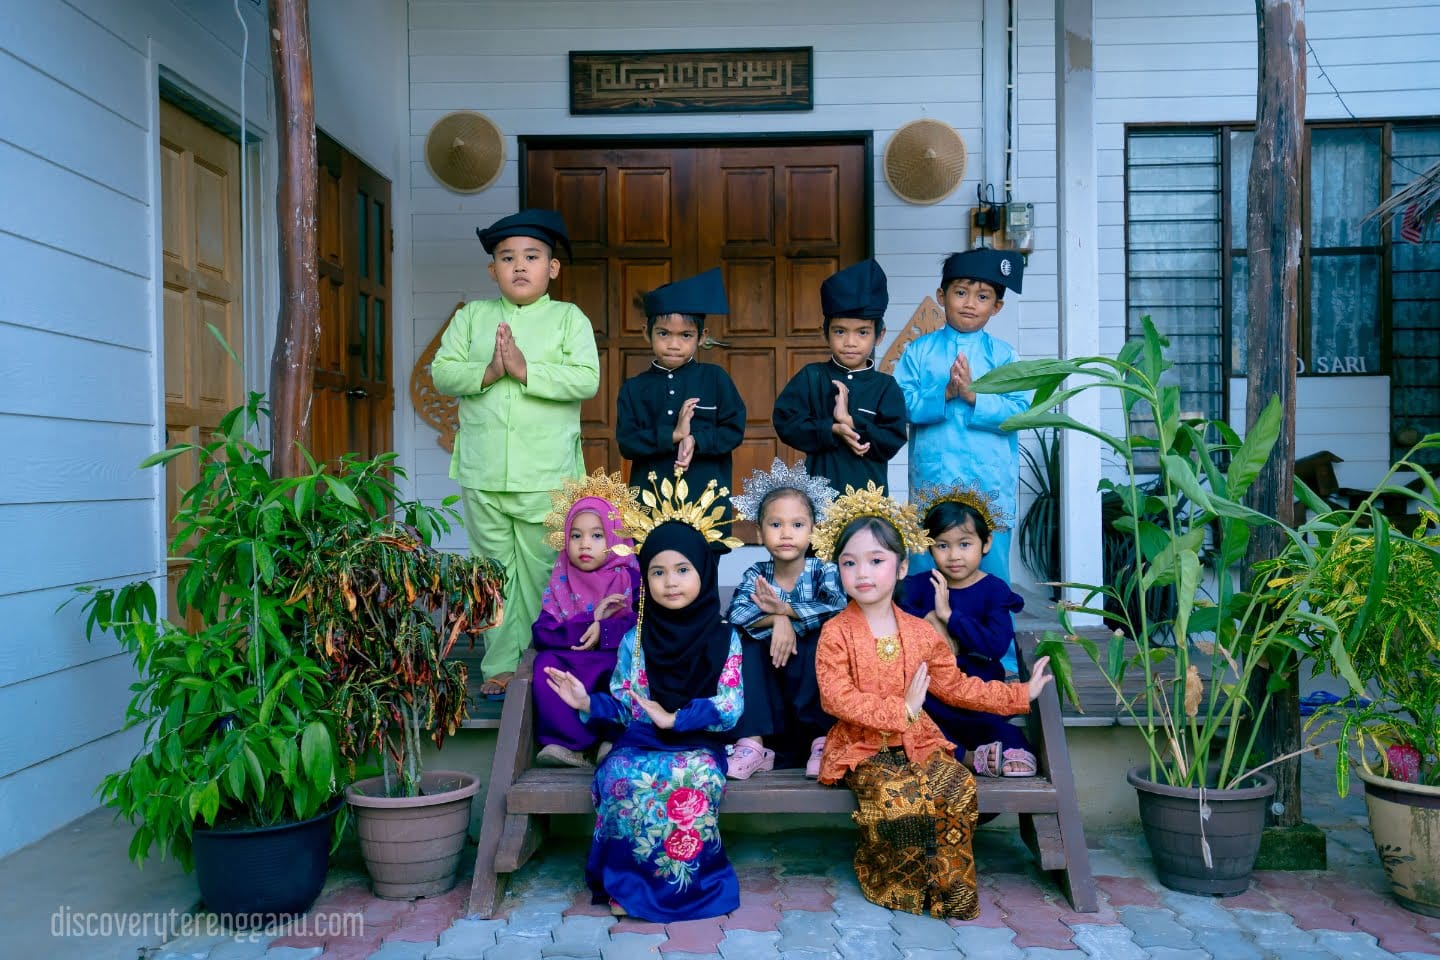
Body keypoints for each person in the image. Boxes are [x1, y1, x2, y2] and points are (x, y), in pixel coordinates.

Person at [809, 483, 1052, 919]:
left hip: (919, 742)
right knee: (899, 796)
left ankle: (952, 893)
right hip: (864, 747)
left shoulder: (920, 632)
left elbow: (957, 686)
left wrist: (1020, 693)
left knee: (957, 788)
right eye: (850, 563)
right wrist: (898, 710)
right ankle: (896, 887)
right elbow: (836, 697)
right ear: (839, 571)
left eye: (876, 561)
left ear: (901, 568)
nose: (863, 572)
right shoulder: (836, 633)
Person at [543, 478, 746, 922]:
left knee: (690, 776)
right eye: (657, 571)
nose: (670, 582)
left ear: (703, 572)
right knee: (619, 773)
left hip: (696, 743)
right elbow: (622, 705)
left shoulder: (724, 637)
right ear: (644, 578)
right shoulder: (635, 640)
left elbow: (731, 705)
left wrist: (677, 718)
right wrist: (586, 702)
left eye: (682, 570)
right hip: (640, 740)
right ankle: (628, 885)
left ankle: (686, 889)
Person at [431, 209, 600, 698]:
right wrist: (486, 372)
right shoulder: (472, 317)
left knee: (549, 568)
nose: (519, 266)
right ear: (492, 270)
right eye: (507, 258)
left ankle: (550, 659)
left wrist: (525, 370)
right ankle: (501, 664)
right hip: (483, 471)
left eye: (532, 256)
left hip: (546, 473)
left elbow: (586, 380)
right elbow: (442, 373)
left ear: (553, 268)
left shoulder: (569, 319)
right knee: (493, 573)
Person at [894, 249, 1030, 583]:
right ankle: (927, 635)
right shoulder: (919, 351)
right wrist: (945, 393)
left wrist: (973, 396)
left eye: (982, 296)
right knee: (927, 567)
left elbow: (1020, 412)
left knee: (991, 569)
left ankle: (995, 636)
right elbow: (899, 404)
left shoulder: (1004, 355)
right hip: (934, 477)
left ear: (996, 306)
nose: (970, 303)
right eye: (960, 293)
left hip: (989, 479)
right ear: (942, 296)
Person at [897, 485, 1035, 777]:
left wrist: (949, 616)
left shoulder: (994, 590)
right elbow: (894, 608)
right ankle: (963, 756)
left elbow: (995, 645)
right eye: (942, 545)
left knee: (988, 719)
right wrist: (930, 618)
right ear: (929, 546)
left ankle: (1012, 748)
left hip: (978, 679)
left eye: (964, 544)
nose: (954, 556)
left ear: (985, 543)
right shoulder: (922, 584)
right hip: (935, 682)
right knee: (924, 713)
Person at [725, 459, 845, 779]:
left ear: (813, 529)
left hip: (809, 684)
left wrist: (786, 613)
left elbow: (836, 608)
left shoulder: (824, 571)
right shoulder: (757, 573)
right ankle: (752, 743)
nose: (786, 534)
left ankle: (822, 741)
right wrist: (777, 620)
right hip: (771, 684)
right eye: (775, 525)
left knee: (822, 636)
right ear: (759, 531)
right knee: (744, 641)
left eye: (797, 524)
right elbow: (737, 614)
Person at [531, 471, 642, 768]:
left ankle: (611, 739)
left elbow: (641, 626)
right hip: (572, 660)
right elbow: (542, 632)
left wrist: (604, 629)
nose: (584, 544)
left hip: (611, 656)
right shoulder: (562, 577)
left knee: (622, 666)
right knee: (544, 666)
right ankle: (568, 745)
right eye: (576, 535)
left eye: (597, 535)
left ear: (615, 537)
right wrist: (588, 622)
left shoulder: (630, 577)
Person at [616, 268, 745, 512]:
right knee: (651, 551)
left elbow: (734, 429)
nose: (674, 345)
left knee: (704, 550)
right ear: (646, 333)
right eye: (663, 333)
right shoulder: (634, 388)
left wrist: (697, 439)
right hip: (650, 503)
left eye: (685, 335)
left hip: (705, 501)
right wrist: (672, 436)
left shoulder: (715, 378)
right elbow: (627, 442)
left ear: (701, 336)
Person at [774, 259, 907, 494]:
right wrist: (831, 428)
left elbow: (891, 441)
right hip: (818, 497)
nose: (850, 342)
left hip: (869, 500)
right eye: (840, 331)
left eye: (862, 332)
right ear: (824, 333)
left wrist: (851, 421)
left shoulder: (885, 386)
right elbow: (786, 424)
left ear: (879, 335)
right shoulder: (812, 377)